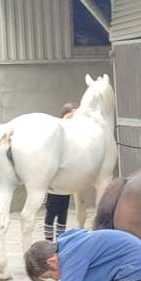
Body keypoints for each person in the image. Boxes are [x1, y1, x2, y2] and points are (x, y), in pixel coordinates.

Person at [43, 103, 77, 242]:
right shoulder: (56, 131)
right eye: (72, 114)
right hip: (54, 180)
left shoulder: (75, 134)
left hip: (66, 180)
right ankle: (49, 242)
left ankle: (60, 241)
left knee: (63, 212)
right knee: (51, 212)